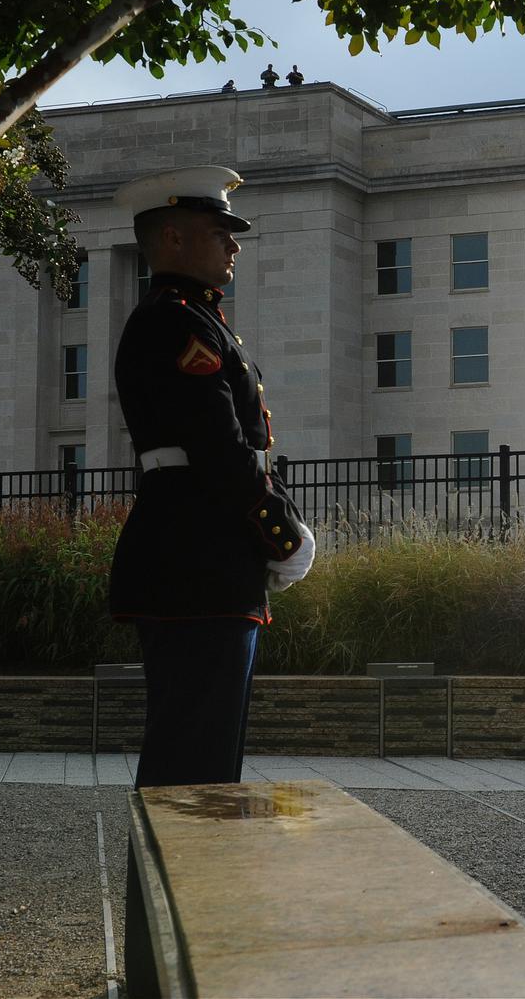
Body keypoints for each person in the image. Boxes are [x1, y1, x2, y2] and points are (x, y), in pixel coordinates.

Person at [110, 165, 314, 995]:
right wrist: (280, 532)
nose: (232, 245)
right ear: (171, 238)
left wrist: (275, 527)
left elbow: (236, 452)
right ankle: (163, 969)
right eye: (219, 231)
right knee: (187, 777)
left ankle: (182, 954)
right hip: (195, 565)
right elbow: (218, 451)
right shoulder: (171, 325)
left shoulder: (197, 322)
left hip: (204, 566)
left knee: (202, 773)